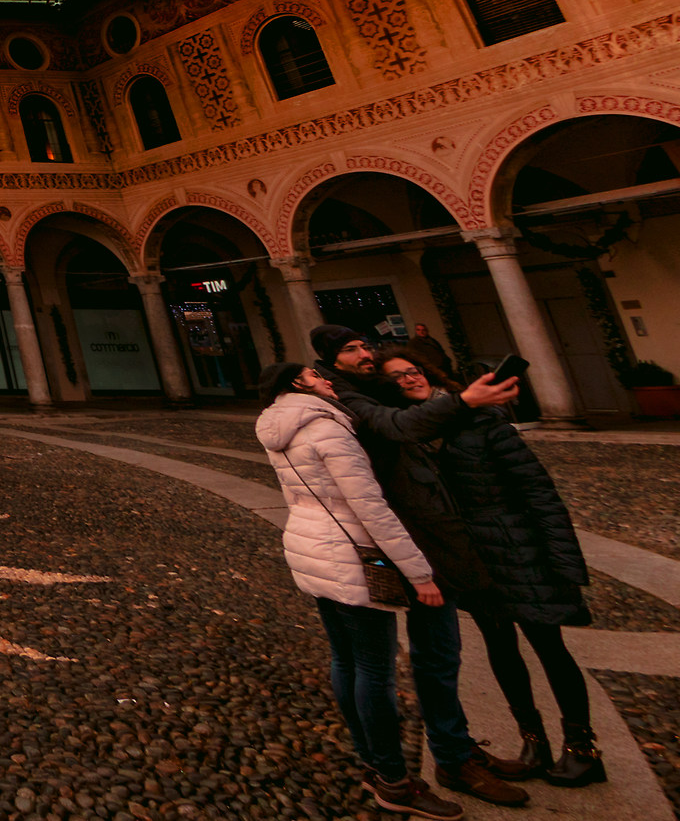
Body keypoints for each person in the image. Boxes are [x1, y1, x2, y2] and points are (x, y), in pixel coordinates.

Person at [310, 325, 530, 807]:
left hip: (424, 538)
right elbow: (393, 433)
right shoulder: (346, 401)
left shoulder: (366, 392)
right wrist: (463, 401)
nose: (365, 353)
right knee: (407, 660)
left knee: (427, 657)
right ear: (327, 364)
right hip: (400, 547)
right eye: (352, 349)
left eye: (366, 345)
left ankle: (451, 752)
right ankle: (432, 764)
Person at [380, 349, 604, 788]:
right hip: (471, 558)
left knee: (549, 647)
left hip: (518, 548)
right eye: (397, 378)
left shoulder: (482, 421)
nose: (408, 380)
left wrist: (563, 559)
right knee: (501, 648)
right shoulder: (412, 435)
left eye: (413, 370)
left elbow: (538, 491)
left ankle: (583, 748)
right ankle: (533, 741)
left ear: (429, 372)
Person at [256, 361, 462, 818]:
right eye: (316, 376)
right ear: (298, 384)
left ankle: (372, 762)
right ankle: (393, 781)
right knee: (374, 669)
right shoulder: (328, 429)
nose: (328, 380)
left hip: (309, 545)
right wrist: (419, 573)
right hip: (350, 553)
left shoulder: (276, 424)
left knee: (345, 660)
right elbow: (369, 506)